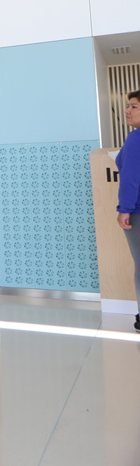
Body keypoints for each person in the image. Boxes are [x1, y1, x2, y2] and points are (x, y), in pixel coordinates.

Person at [116, 89, 140, 332]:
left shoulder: (135, 138)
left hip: (138, 211)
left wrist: (125, 209)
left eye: (134, 106)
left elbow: (131, 178)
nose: (127, 110)